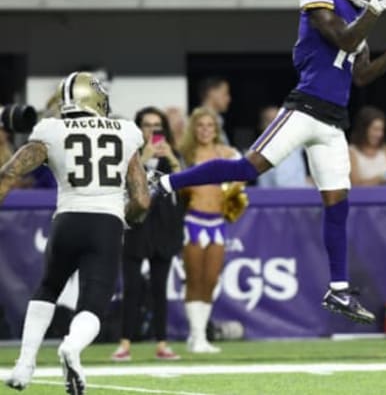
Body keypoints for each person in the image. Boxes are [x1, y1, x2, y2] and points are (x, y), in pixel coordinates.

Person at [155, 0, 386, 324]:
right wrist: (373, 12)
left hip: (333, 121)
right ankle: (165, 182)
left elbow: (360, 75)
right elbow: (345, 40)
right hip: (305, 108)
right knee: (248, 167)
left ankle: (338, 288)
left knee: (338, 204)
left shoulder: (360, 16)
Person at [2, 72, 149, 393]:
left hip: (67, 220)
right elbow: (140, 199)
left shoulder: (51, 129)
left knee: (48, 288)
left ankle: (24, 365)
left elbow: (8, 174)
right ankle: (71, 346)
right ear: (96, 97)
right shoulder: (126, 131)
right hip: (106, 223)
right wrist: (129, 218)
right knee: (94, 303)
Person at [111, 107, 184, 362]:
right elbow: (119, 186)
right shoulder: (129, 156)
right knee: (131, 288)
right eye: (146, 125)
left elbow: (184, 189)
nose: (152, 130)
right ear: (138, 128)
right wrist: (142, 159)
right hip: (136, 227)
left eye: (157, 125)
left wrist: (173, 159)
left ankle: (162, 343)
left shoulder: (172, 157)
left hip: (163, 229)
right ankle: (124, 344)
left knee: (159, 289)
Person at [178, 107, 243, 353]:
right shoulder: (186, 155)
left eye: (209, 125)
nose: (205, 130)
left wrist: (233, 191)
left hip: (217, 223)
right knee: (194, 280)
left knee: (211, 280)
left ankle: (199, 336)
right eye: (200, 125)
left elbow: (243, 174)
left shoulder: (227, 154)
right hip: (192, 221)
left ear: (216, 129)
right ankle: (197, 336)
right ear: (193, 129)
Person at [255, 106, 310, 187]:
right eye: (270, 121)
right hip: (278, 198)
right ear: (261, 127)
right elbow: (287, 187)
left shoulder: (294, 145)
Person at [198, 77, 232, 145]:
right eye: (225, 93)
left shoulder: (218, 121)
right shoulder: (198, 122)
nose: (229, 99)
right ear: (212, 93)